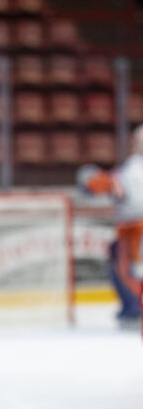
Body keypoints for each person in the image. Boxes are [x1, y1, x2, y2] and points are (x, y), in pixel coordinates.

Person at [78, 125, 143, 327]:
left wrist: (91, 182)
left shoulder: (132, 169)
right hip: (133, 225)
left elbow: (110, 187)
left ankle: (134, 309)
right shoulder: (131, 169)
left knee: (127, 268)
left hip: (133, 227)